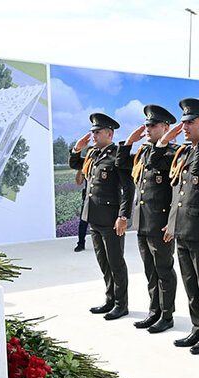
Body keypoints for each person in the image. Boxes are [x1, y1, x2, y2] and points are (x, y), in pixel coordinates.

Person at [160, 98, 199, 354]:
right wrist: (171, 222)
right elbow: (177, 191)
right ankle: (196, 328)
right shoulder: (183, 152)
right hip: (182, 228)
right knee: (189, 282)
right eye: (183, 122)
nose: (185, 126)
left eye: (191, 122)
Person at [116, 105, 179, 333]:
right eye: (147, 125)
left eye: (153, 125)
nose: (148, 128)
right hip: (143, 222)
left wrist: (172, 222)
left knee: (164, 270)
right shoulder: (143, 151)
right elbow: (121, 164)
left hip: (160, 223)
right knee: (150, 272)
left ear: (166, 128)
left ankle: (167, 315)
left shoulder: (173, 153)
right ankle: (153, 312)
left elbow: (176, 192)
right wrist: (128, 143)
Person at [69, 113, 134, 320]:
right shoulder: (93, 155)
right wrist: (76, 149)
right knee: (103, 262)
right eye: (93, 132)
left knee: (116, 263)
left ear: (109, 133)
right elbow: (75, 164)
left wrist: (123, 215)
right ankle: (110, 299)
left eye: (97, 132)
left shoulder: (117, 156)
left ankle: (121, 304)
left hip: (111, 219)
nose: (94, 136)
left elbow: (128, 188)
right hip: (94, 217)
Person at [74, 169, 89, 252]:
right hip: (88, 198)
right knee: (83, 222)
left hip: (102, 197)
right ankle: (81, 243)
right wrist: (81, 168)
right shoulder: (87, 164)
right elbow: (79, 182)